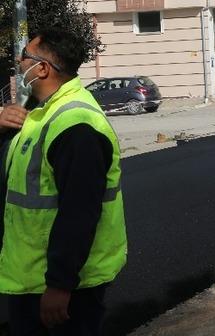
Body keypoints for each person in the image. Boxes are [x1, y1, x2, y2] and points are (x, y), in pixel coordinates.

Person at [0, 27, 127, 334]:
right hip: (29, 275)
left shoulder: (76, 125)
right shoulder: (41, 112)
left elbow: (79, 213)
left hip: (62, 288)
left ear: (42, 68)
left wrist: (59, 285)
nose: (19, 62)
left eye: (24, 56)